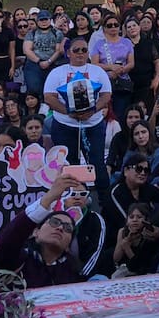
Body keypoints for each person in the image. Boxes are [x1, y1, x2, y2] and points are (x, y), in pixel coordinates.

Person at [43, 37, 113, 200]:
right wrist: (68, 112)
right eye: (76, 50)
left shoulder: (98, 71)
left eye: (84, 50)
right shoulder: (57, 72)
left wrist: (94, 110)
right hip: (64, 125)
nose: (81, 53)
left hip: (93, 125)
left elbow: (106, 95)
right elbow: (49, 97)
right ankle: (68, 200)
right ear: (68, 53)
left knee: (97, 164)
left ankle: (104, 202)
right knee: (68, 165)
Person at [0, 171, 85, 288]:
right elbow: (10, 238)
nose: (60, 228)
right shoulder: (16, 259)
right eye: (54, 222)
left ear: (69, 245)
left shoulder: (74, 271)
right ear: (36, 232)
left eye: (68, 228)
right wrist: (50, 196)